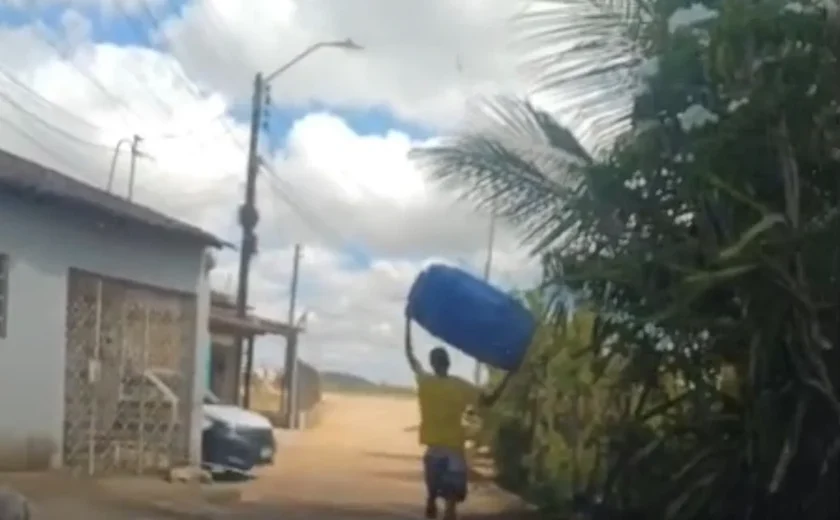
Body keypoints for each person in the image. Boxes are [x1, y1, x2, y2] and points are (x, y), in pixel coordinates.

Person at [404, 317, 512, 520]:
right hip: (453, 447)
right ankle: (444, 508)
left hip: (433, 447)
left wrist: (408, 324)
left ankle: (432, 499)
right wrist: (508, 378)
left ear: (432, 364)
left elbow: (410, 356)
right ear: (448, 363)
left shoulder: (426, 382)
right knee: (452, 495)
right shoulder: (460, 386)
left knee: (434, 484)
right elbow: (488, 401)